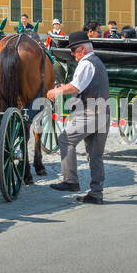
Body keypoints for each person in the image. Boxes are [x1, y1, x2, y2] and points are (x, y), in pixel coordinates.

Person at [47, 30, 109, 204]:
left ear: (82, 49)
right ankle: (96, 193)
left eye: (73, 50)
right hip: (103, 113)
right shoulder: (98, 62)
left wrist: (55, 91)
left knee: (65, 139)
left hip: (90, 114)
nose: (73, 54)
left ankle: (70, 181)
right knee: (95, 155)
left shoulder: (86, 63)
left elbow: (76, 86)